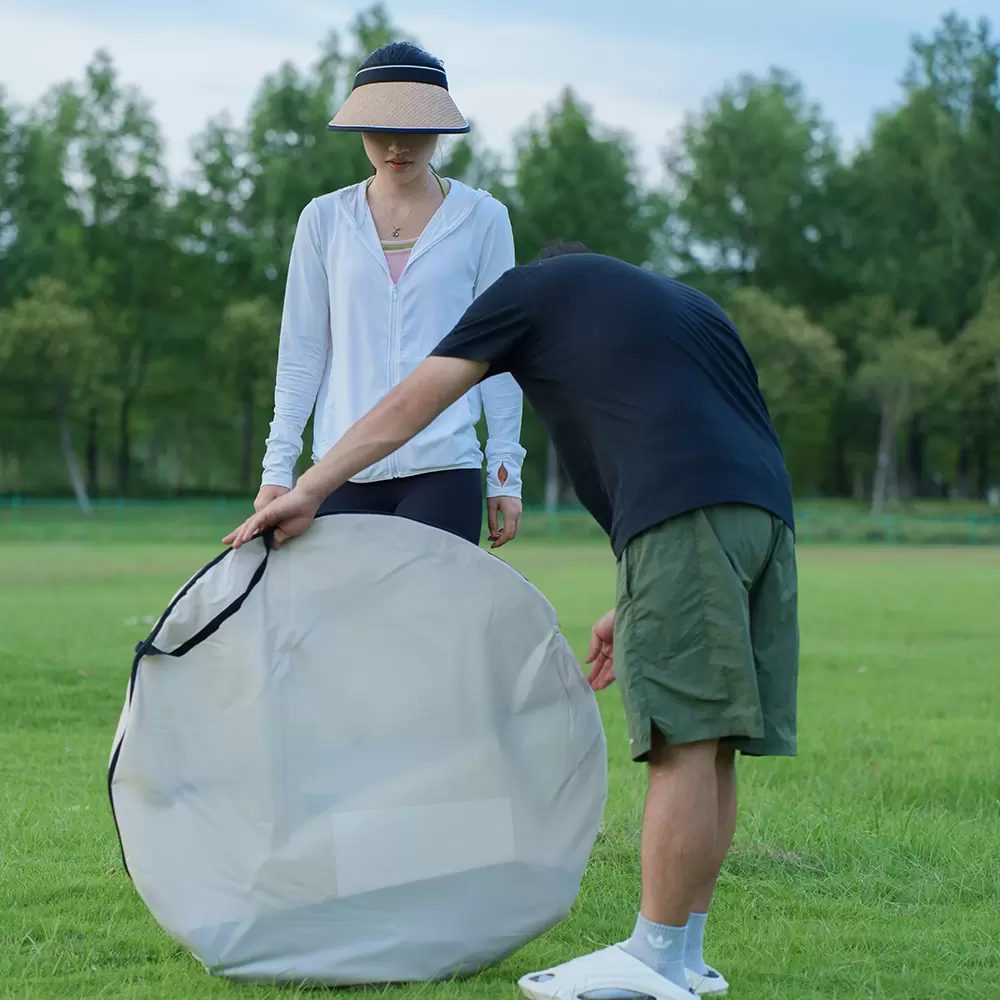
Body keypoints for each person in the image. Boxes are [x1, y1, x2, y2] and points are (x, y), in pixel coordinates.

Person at [225, 243, 799, 1000]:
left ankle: (656, 958)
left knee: (683, 740)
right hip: (764, 518)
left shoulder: (526, 291)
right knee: (714, 743)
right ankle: (686, 955)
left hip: (682, 519)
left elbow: (414, 400)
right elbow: (703, 430)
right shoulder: (691, 306)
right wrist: (636, 591)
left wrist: (312, 486)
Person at [255, 41, 525, 549]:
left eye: (415, 130)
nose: (397, 146)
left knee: (432, 605)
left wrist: (504, 472)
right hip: (338, 472)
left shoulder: (484, 219)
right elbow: (302, 353)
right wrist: (278, 467)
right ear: (360, 129)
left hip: (445, 471)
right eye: (381, 130)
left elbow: (500, 354)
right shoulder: (324, 219)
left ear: (439, 130)